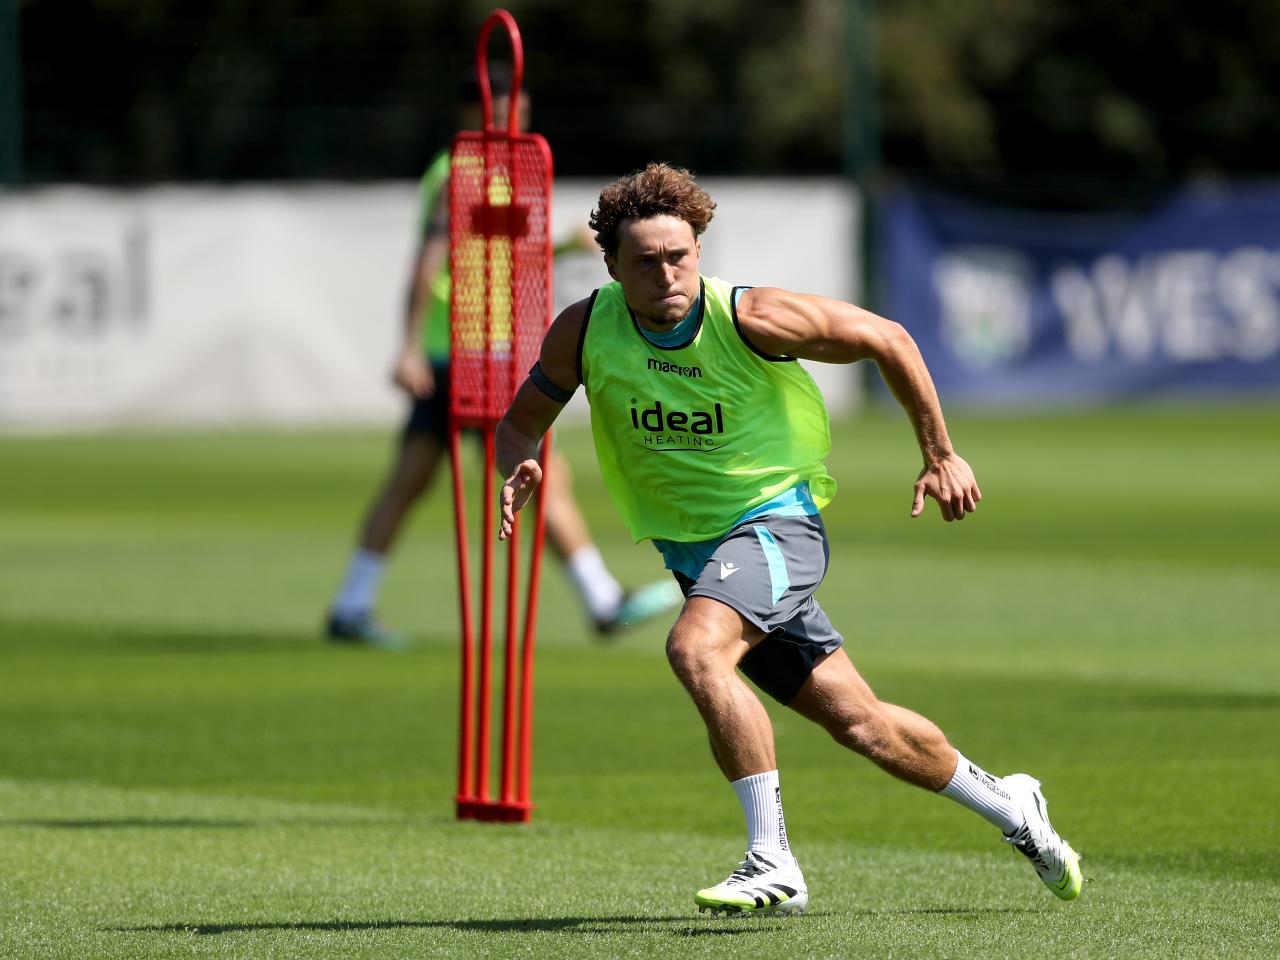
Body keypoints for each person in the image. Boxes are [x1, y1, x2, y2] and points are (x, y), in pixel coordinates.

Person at [495, 162, 1083, 915]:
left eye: (679, 256)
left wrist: (939, 453)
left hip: (776, 527)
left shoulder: (751, 317)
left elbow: (887, 337)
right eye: (644, 262)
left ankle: (771, 859)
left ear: (699, 252)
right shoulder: (583, 330)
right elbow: (519, 425)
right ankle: (1015, 809)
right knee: (863, 725)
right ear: (611, 265)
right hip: (699, 558)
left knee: (694, 650)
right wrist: (519, 467)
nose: (665, 274)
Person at [326, 72, 681, 648]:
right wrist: (411, 345)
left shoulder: (501, 170)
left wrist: (565, 245)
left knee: (413, 479)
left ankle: (351, 604)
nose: (516, 116)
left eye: (522, 105)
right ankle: (601, 600)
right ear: (475, 110)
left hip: (478, 347)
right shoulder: (462, 169)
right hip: (475, 351)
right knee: (539, 473)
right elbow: (429, 258)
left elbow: (497, 251)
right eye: (505, 105)